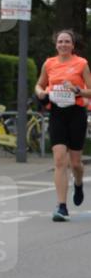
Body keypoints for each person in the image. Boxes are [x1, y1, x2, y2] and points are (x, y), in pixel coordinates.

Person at [34, 29, 91, 221]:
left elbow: (90, 91)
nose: (63, 45)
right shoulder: (49, 63)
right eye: (60, 42)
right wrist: (40, 92)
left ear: (73, 45)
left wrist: (76, 89)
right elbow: (39, 84)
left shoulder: (81, 63)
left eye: (67, 42)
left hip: (76, 113)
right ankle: (61, 206)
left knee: (75, 163)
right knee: (59, 160)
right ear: (56, 44)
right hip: (57, 113)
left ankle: (78, 182)